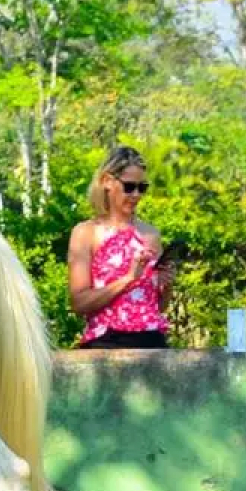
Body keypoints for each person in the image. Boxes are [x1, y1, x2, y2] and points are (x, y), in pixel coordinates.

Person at [68, 144, 171, 349]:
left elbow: (158, 306)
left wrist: (166, 286)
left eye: (142, 188)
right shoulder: (86, 233)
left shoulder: (151, 234)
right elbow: (79, 303)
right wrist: (128, 279)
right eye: (129, 186)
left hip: (151, 339)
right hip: (106, 342)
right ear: (107, 182)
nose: (136, 195)